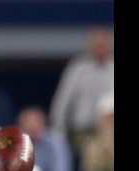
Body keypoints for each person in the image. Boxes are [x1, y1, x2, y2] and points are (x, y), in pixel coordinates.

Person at [49, 27, 114, 160]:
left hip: (110, 130)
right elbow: (62, 100)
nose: (100, 48)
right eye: (96, 44)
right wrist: (57, 130)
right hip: (83, 131)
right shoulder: (77, 68)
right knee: (94, 154)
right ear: (90, 46)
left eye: (103, 44)